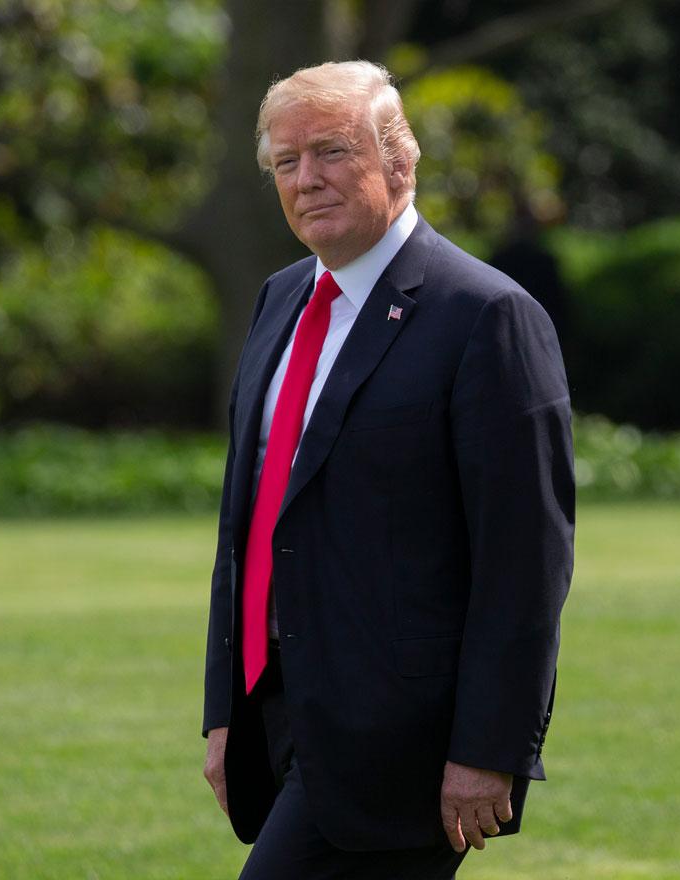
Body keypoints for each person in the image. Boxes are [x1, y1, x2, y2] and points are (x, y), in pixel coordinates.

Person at [200, 60, 575, 879]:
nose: (307, 180)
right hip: (283, 712)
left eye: (332, 152)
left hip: (406, 740)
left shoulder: (488, 317)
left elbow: (525, 561)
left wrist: (491, 749)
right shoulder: (279, 300)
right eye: (286, 163)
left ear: (399, 162)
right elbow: (250, 526)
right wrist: (225, 712)